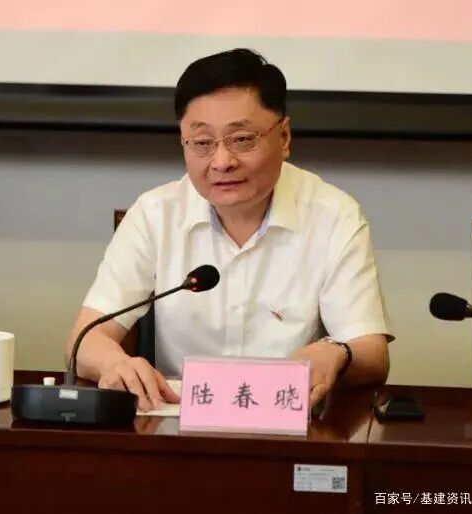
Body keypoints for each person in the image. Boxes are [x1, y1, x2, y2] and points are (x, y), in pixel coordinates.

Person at [65, 48, 392, 413]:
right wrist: (115, 364)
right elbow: (85, 339)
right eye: (203, 143)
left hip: (292, 424)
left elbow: (372, 353)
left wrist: (340, 353)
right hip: (180, 425)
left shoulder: (334, 216)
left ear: (284, 136)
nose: (222, 162)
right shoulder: (155, 215)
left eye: (242, 139)